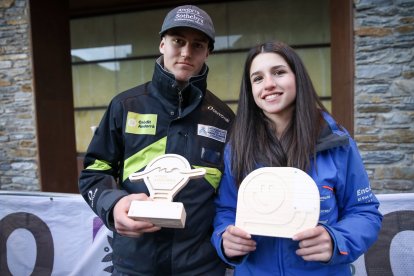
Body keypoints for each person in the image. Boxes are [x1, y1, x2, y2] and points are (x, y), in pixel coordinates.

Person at [79, 5, 235, 275]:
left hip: (202, 266)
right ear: (162, 44)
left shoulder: (223, 117)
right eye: (178, 41)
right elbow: (94, 173)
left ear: (207, 52)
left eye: (197, 45)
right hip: (135, 263)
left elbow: (232, 190)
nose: (186, 52)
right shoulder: (125, 106)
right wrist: (113, 205)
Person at [211, 41, 382, 275]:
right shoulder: (237, 147)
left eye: (279, 72)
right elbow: (226, 210)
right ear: (250, 90)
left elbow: (364, 211)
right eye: (258, 78)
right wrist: (225, 238)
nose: (269, 84)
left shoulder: (336, 143)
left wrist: (337, 240)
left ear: (297, 77)